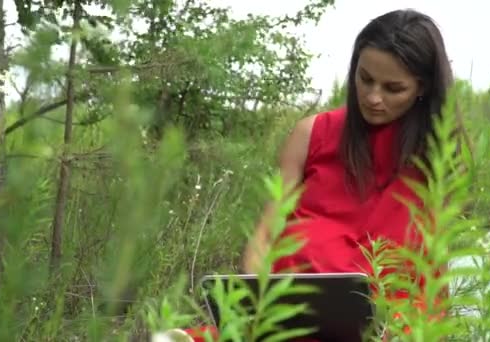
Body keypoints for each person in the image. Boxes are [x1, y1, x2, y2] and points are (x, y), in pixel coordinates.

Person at [186, 8, 454, 341]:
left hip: (388, 332)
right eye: (365, 78)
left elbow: (435, 280)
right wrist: (256, 307)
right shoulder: (311, 135)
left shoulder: (438, 158)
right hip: (283, 324)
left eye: (392, 88)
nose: (372, 98)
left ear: (422, 88)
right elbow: (264, 238)